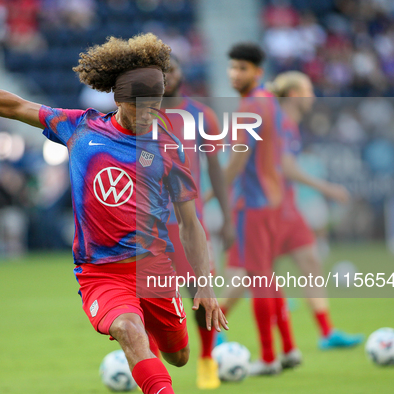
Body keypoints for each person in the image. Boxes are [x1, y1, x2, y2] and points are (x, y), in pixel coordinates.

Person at [0, 33, 227, 394]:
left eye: (154, 105)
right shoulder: (80, 128)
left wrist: (205, 287)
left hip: (154, 268)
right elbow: (15, 106)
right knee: (130, 331)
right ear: (118, 98)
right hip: (101, 272)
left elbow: (190, 225)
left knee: (179, 356)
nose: (148, 114)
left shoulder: (169, 149)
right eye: (138, 106)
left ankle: (148, 352)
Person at [267, 70, 364, 349]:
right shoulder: (283, 123)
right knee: (252, 275)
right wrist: (327, 188)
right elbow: (285, 168)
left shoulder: (290, 125)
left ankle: (327, 332)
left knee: (311, 262)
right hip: (269, 210)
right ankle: (216, 328)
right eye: (309, 90)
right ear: (295, 95)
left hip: (287, 208)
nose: (313, 96)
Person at [221, 42, 300, 376]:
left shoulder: (250, 106)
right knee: (267, 276)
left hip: (253, 204)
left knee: (259, 280)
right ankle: (289, 349)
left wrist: (213, 191)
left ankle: (268, 359)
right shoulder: (268, 101)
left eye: (242, 68)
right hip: (272, 201)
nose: (234, 73)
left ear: (258, 72)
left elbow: (238, 158)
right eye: (232, 67)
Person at [161, 55, 235, 389]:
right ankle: (148, 361)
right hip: (149, 222)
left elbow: (216, 169)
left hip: (190, 222)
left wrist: (227, 216)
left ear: (181, 74)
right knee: (150, 297)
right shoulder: (140, 115)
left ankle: (207, 359)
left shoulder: (201, 115)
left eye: (172, 69)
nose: (168, 76)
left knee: (200, 294)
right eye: (162, 71)